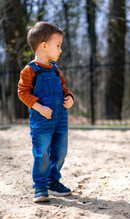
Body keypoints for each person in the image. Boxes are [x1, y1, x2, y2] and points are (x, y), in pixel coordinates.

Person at [18, 21, 74, 203]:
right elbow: (22, 92)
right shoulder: (30, 70)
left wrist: (70, 97)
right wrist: (38, 106)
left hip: (60, 118)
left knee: (61, 151)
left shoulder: (56, 70)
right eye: (58, 46)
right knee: (42, 152)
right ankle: (40, 186)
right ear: (43, 46)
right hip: (41, 119)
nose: (60, 50)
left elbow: (64, 89)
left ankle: (53, 181)